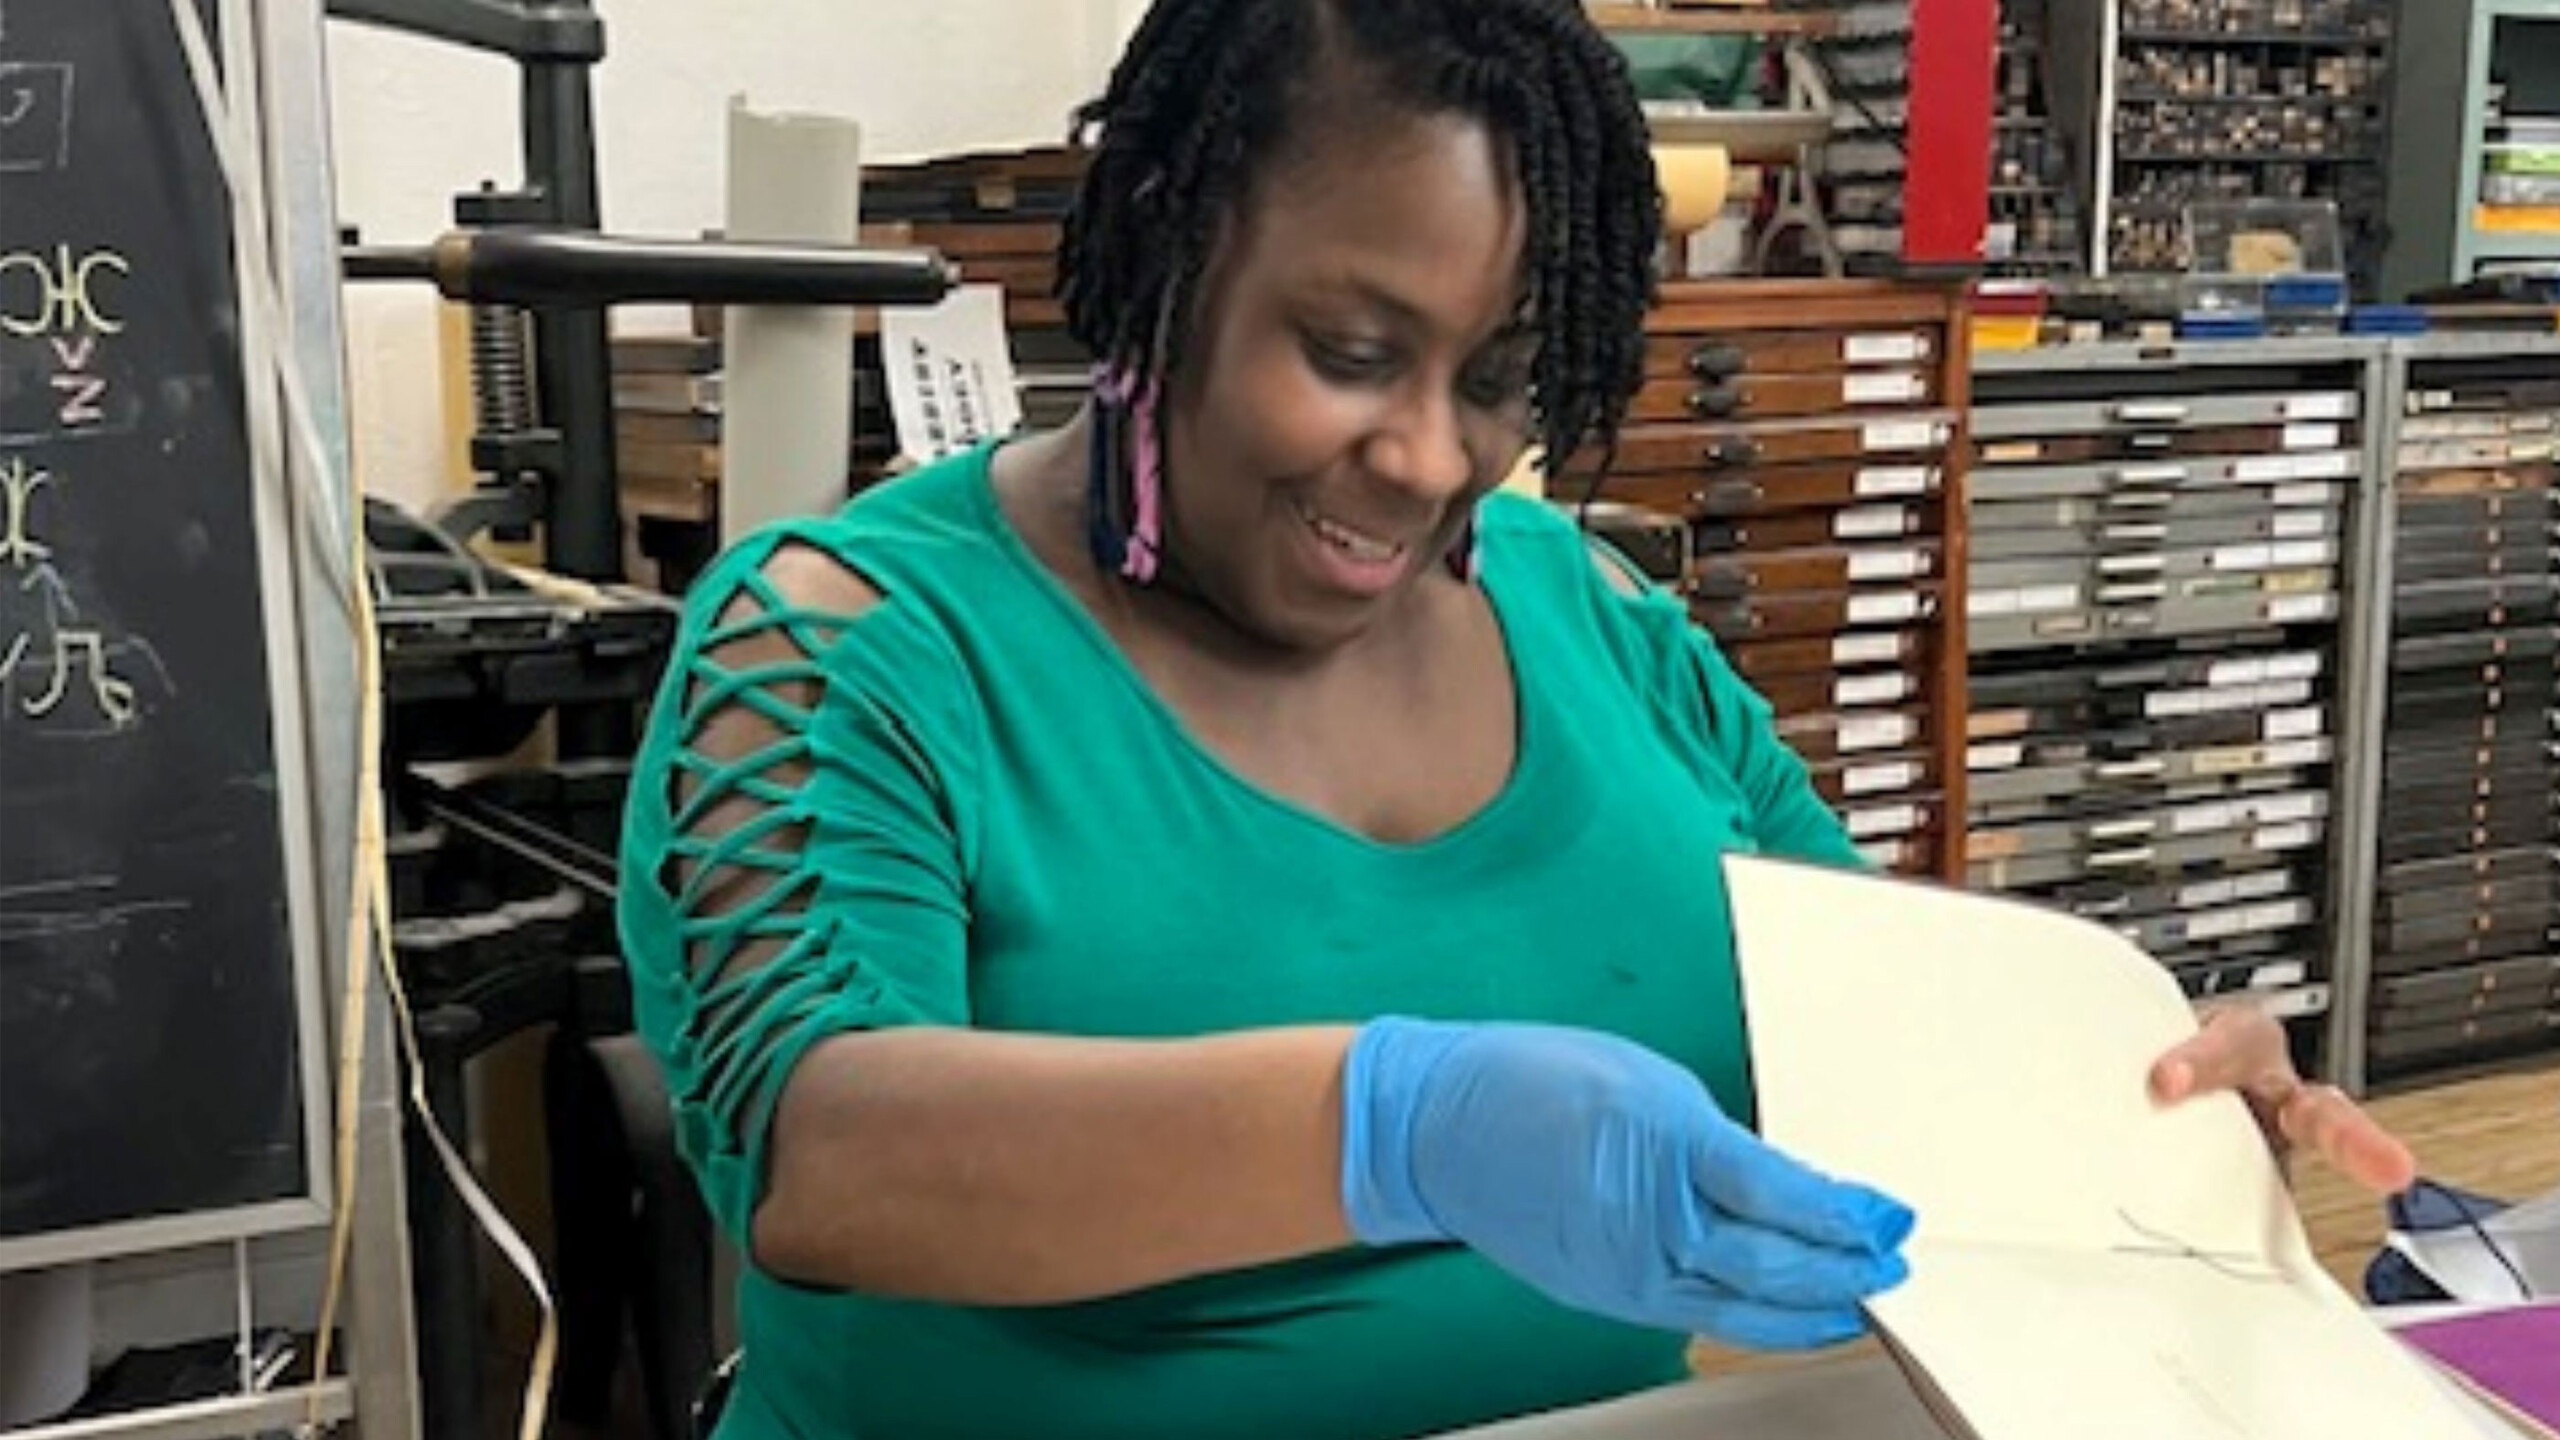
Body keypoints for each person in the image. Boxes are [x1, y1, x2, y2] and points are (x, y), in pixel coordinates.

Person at [615, 2, 2421, 1435]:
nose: (1422, 456)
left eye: (1494, 380)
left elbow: (1886, 1041)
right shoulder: (840, 644)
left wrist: (2144, 1115)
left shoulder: (1596, 623)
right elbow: (826, 1156)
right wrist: (1392, 1123)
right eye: (1347, 351)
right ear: (1165, 255)